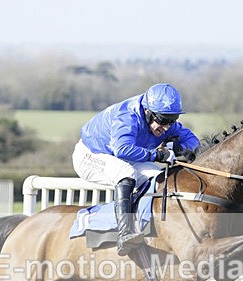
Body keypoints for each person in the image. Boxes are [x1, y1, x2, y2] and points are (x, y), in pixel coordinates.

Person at [72, 83, 200, 256]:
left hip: (123, 157)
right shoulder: (127, 116)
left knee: (159, 178)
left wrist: (178, 148)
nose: (167, 127)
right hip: (90, 155)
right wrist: (158, 155)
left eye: (172, 119)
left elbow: (193, 140)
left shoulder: (165, 121)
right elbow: (123, 149)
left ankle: (147, 225)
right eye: (162, 120)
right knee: (125, 174)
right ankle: (125, 234)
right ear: (148, 111)